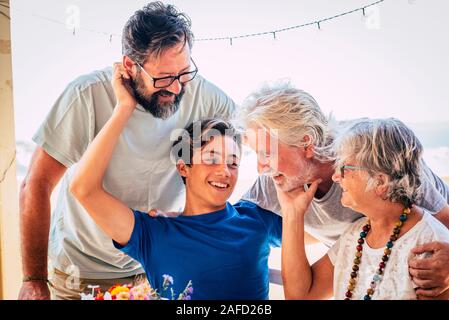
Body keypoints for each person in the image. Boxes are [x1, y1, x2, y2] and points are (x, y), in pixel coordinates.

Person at [19, 2, 236, 300]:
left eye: (184, 73)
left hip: (155, 270)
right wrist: (33, 279)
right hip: (79, 271)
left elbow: (251, 147)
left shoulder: (206, 97)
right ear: (130, 65)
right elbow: (37, 183)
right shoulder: (86, 95)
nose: (175, 89)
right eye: (162, 78)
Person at [69, 63, 282, 299]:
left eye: (233, 162)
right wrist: (124, 107)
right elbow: (83, 188)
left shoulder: (257, 219)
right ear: (184, 167)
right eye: (211, 159)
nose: (225, 170)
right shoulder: (154, 234)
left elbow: (324, 230)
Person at [240, 82, 449, 298]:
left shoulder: (374, 151)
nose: (259, 167)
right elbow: (225, 225)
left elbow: (443, 222)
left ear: (305, 143)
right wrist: (293, 214)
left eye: (267, 153)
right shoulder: (277, 181)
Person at [278, 118, 449, 299]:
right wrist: (292, 213)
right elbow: (299, 296)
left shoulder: (430, 247)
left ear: (380, 181)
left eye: (344, 168)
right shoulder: (355, 235)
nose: (336, 177)